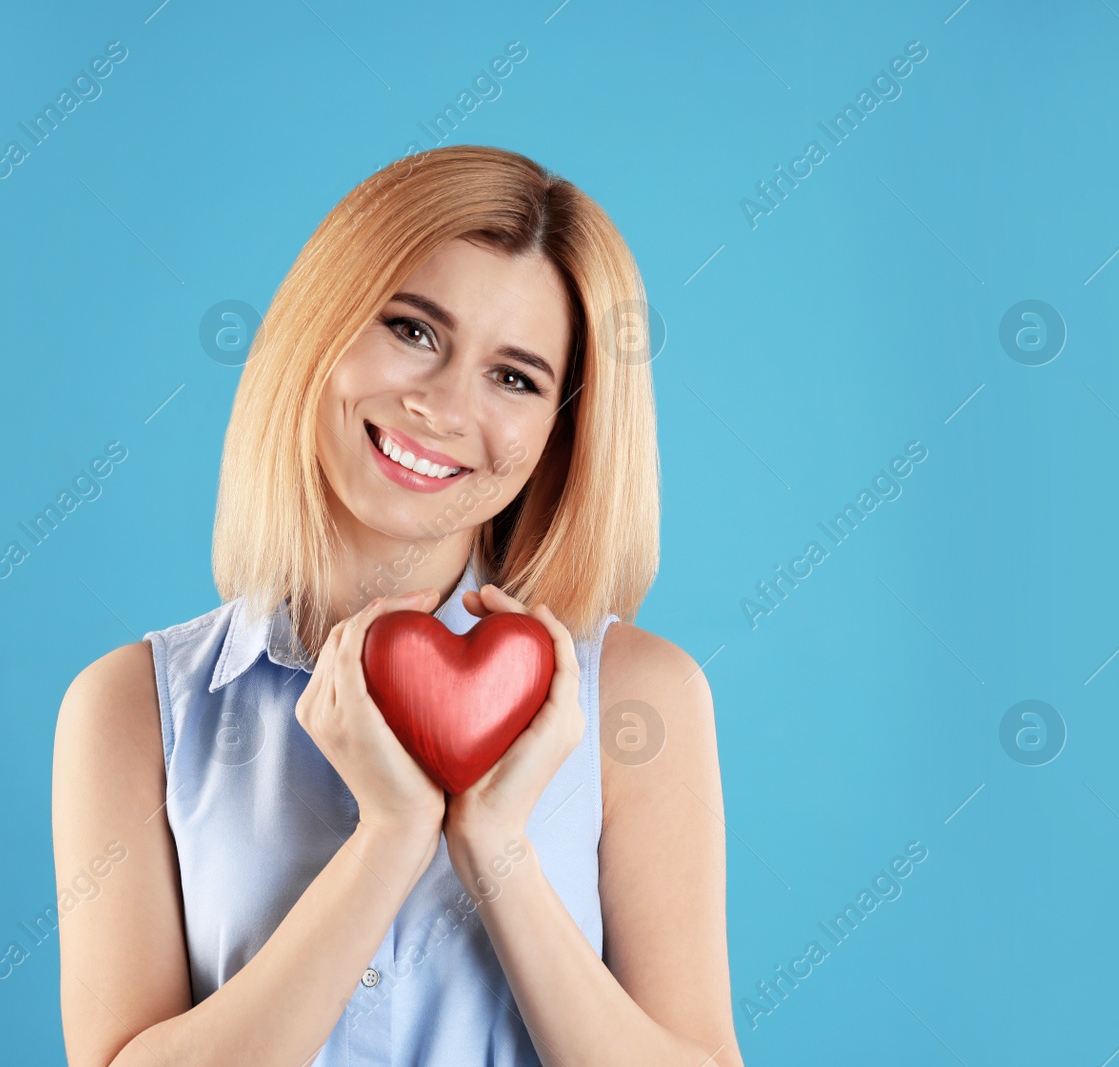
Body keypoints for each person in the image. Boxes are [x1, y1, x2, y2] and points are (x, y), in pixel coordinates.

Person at [51, 144, 741, 1066]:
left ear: (556, 432)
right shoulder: (133, 707)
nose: (444, 407)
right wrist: (390, 837)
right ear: (322, 325)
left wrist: (493, 844)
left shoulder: (637, 699)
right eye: (414, 330)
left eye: (515, 377)